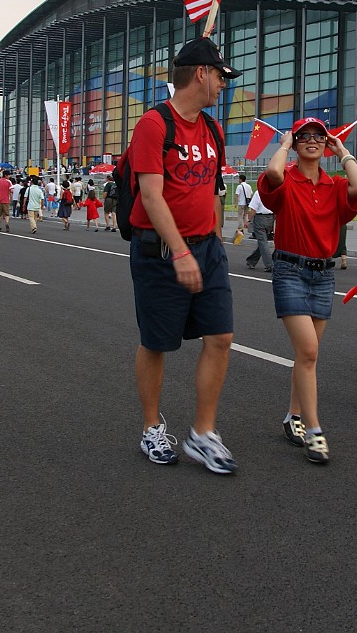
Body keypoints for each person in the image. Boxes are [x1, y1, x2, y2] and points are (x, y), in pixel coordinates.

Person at [130, 36, 240, 474]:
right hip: (160, 253)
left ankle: (203, 433)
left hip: (207, 250)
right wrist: (179, 252)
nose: (222, 85)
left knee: (221, 337)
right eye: (219, 75)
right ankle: (152, 427)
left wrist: (209, 243)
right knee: (157, 344)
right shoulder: (154, 125)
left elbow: (212, 189)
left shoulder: (212, 129)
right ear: (200, 74)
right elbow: (151, 195)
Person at [258, 117, 357, 464]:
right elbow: (272, 176)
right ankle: (315, 430)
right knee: (307, 351)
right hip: (289, 270)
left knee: (308, 355)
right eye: (304, 136)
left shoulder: (335, 185)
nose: (311, 141)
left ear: (327, 144)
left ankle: (293, 416)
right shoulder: (286, 179)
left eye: (318, 137)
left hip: (323, 276)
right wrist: (286, 144)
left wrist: (342, 150)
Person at [245, 190, 274, 272]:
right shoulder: (273, 191)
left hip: (260, 218)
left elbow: (253, 209)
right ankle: (252, 260)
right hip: (270, 218)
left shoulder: (259, 192)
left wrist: (248, 220)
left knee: (262, 242)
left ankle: (269, 265)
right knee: (263, 241)